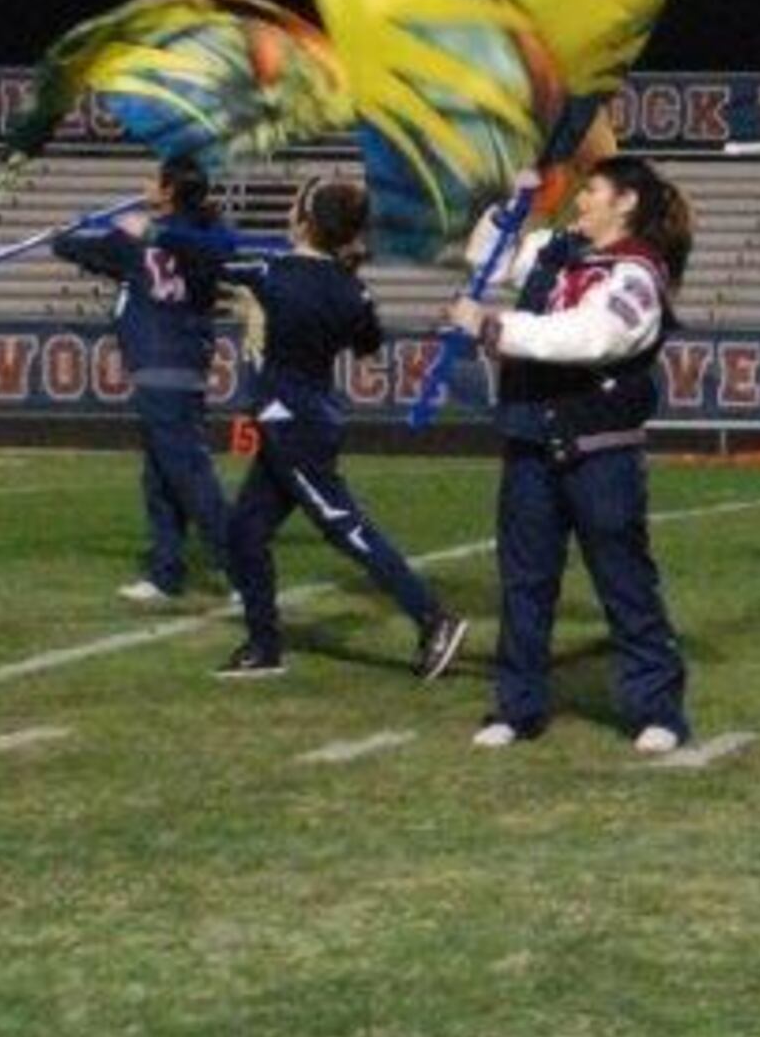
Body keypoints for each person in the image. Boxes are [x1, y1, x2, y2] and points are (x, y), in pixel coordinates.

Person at [445, 156, 696, 753]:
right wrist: (513, 206)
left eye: (593, 191)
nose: (581, 200)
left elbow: (594, 337)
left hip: (599, 450)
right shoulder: (560, 251)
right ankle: (518, 706)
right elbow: (491, 259)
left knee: (624, 582)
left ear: (626, 202)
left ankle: (656, 709)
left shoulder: (638, 274)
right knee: (524, 582)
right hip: (532, 439)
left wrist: (493, 329)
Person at [212, 176, 467, 684]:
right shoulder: (353, 290)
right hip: (310, 416)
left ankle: (433, 616)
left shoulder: (274, 270)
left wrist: (149, 235)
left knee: (345, 527)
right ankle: (263, 645)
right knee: (245, 532)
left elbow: (206, 262)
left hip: (293, 424)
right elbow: (369, 342)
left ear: (306, 222)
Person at [50, 154, 235, 604]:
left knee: (188, 474)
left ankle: (242, 570)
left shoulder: (137, 239)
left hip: (160, 364)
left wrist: (66, 234)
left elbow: (79, 249)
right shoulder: (208, 233)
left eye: (153, 180)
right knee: (159, 475)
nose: (144, 184)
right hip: (185, 361)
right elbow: (221, 249)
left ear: (169, 190)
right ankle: (166, 570)